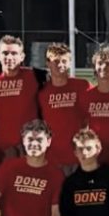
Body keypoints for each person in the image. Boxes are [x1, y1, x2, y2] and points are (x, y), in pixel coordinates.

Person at [0, 35, 42, 165]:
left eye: (14, 53)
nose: (9, 58)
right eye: (5, 53)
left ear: (22, 57)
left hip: (28, 147)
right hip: (0, 148)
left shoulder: (35, 77)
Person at [37, 42, 90, 173]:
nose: (60, 65)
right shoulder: (43, 93)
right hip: (54, 156)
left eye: (64, 61)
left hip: (80, 154)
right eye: (56, 61)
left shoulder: (82, 86)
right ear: (48, 63)